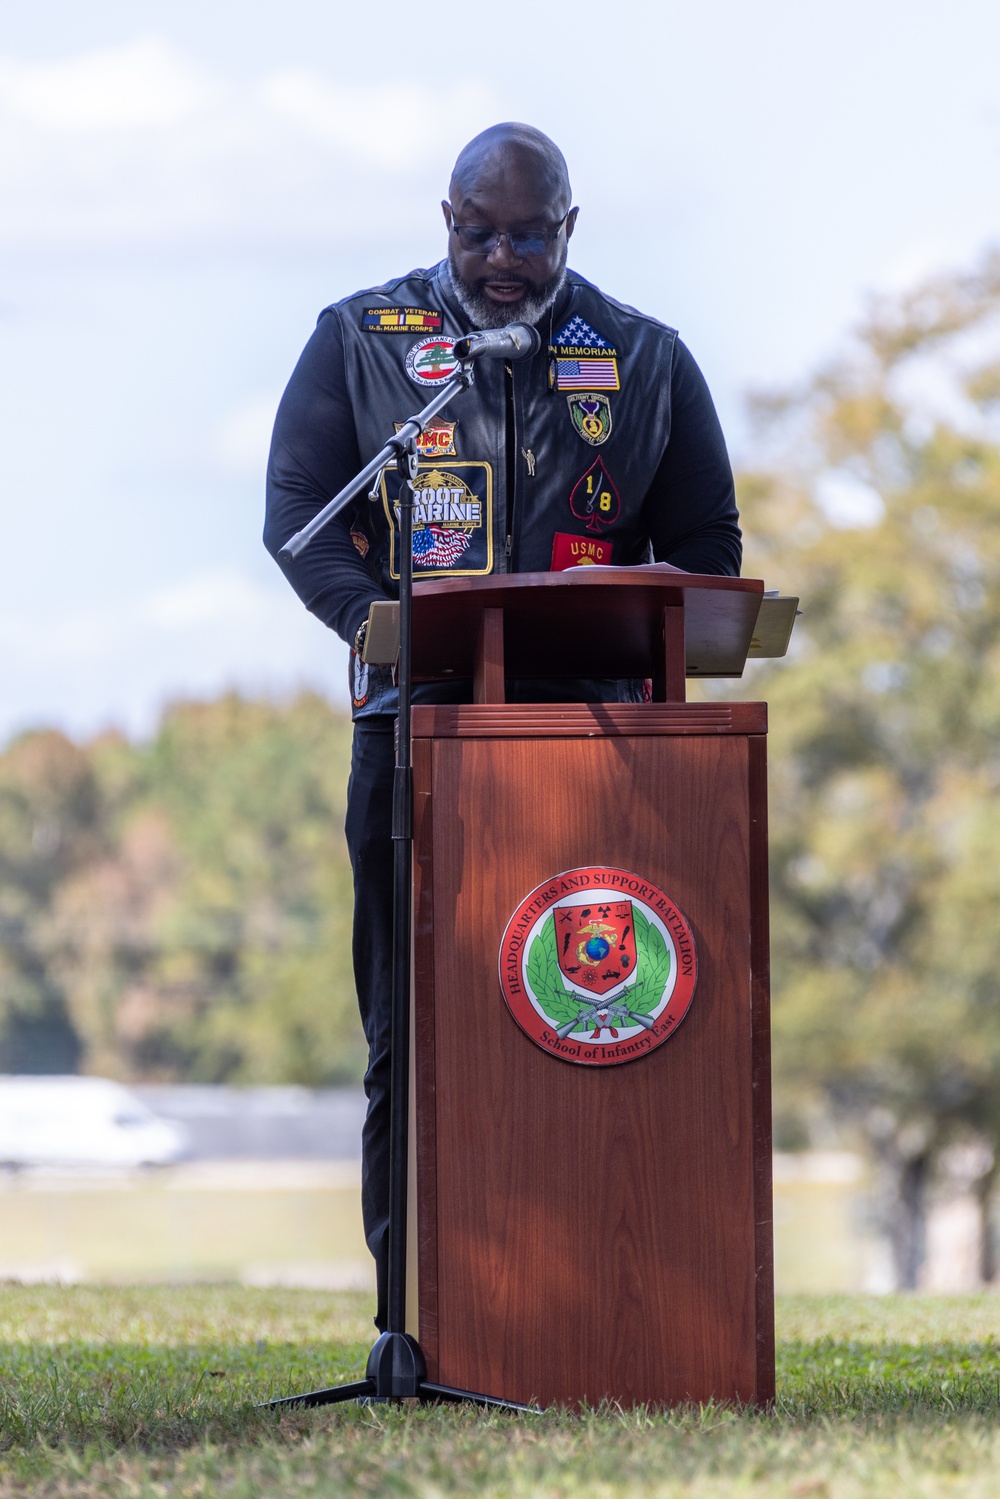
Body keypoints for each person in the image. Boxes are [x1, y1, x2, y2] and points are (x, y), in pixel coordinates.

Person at [264, 122, 741, 1331]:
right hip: (413, 733)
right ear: (447, 221)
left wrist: (632, 629)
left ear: (570, 229)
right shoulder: (367, 343)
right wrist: (382, 629)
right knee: (410, 1039)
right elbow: (298, 517)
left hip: (600, 754)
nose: (503, 260)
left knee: (596, 1020)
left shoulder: (642, 357)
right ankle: (414, 1320)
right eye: (480, 233)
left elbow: (707, 551)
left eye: (530, 234)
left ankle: (605, 1303)